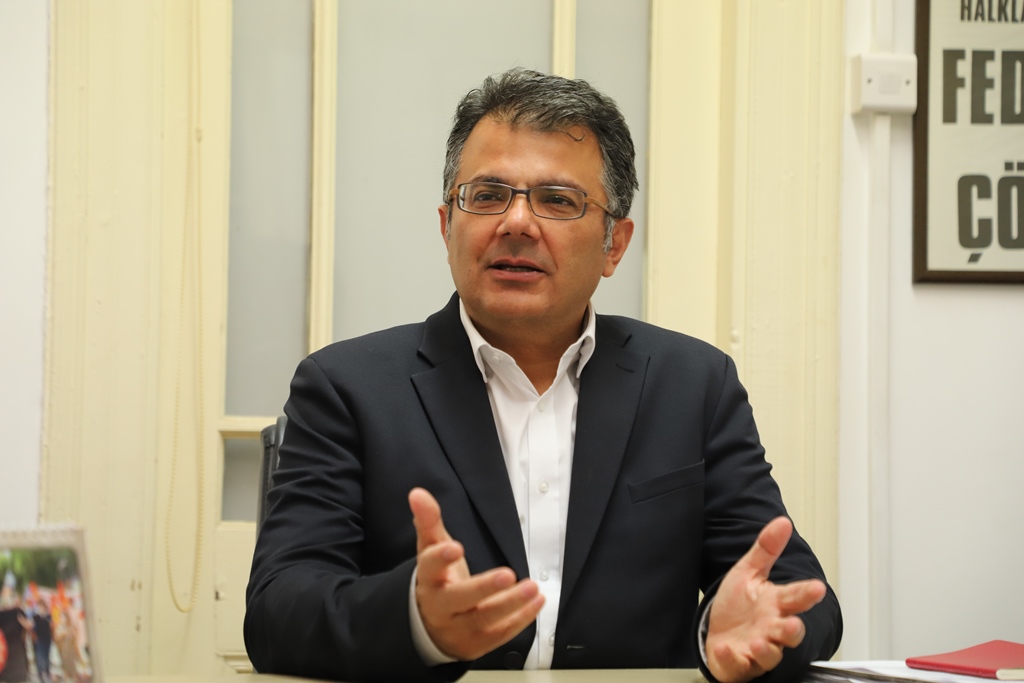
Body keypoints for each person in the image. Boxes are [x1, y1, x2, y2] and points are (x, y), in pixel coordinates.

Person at [244, 68, 842, 683]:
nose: (516, 223)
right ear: (447, 226)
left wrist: (739, 630)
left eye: (558, 200)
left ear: (614, 245)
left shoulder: (693, 386)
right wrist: (416, 622)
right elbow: (278, 610)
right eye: (487, 195)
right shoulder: (347, 387)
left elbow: (796, 595)